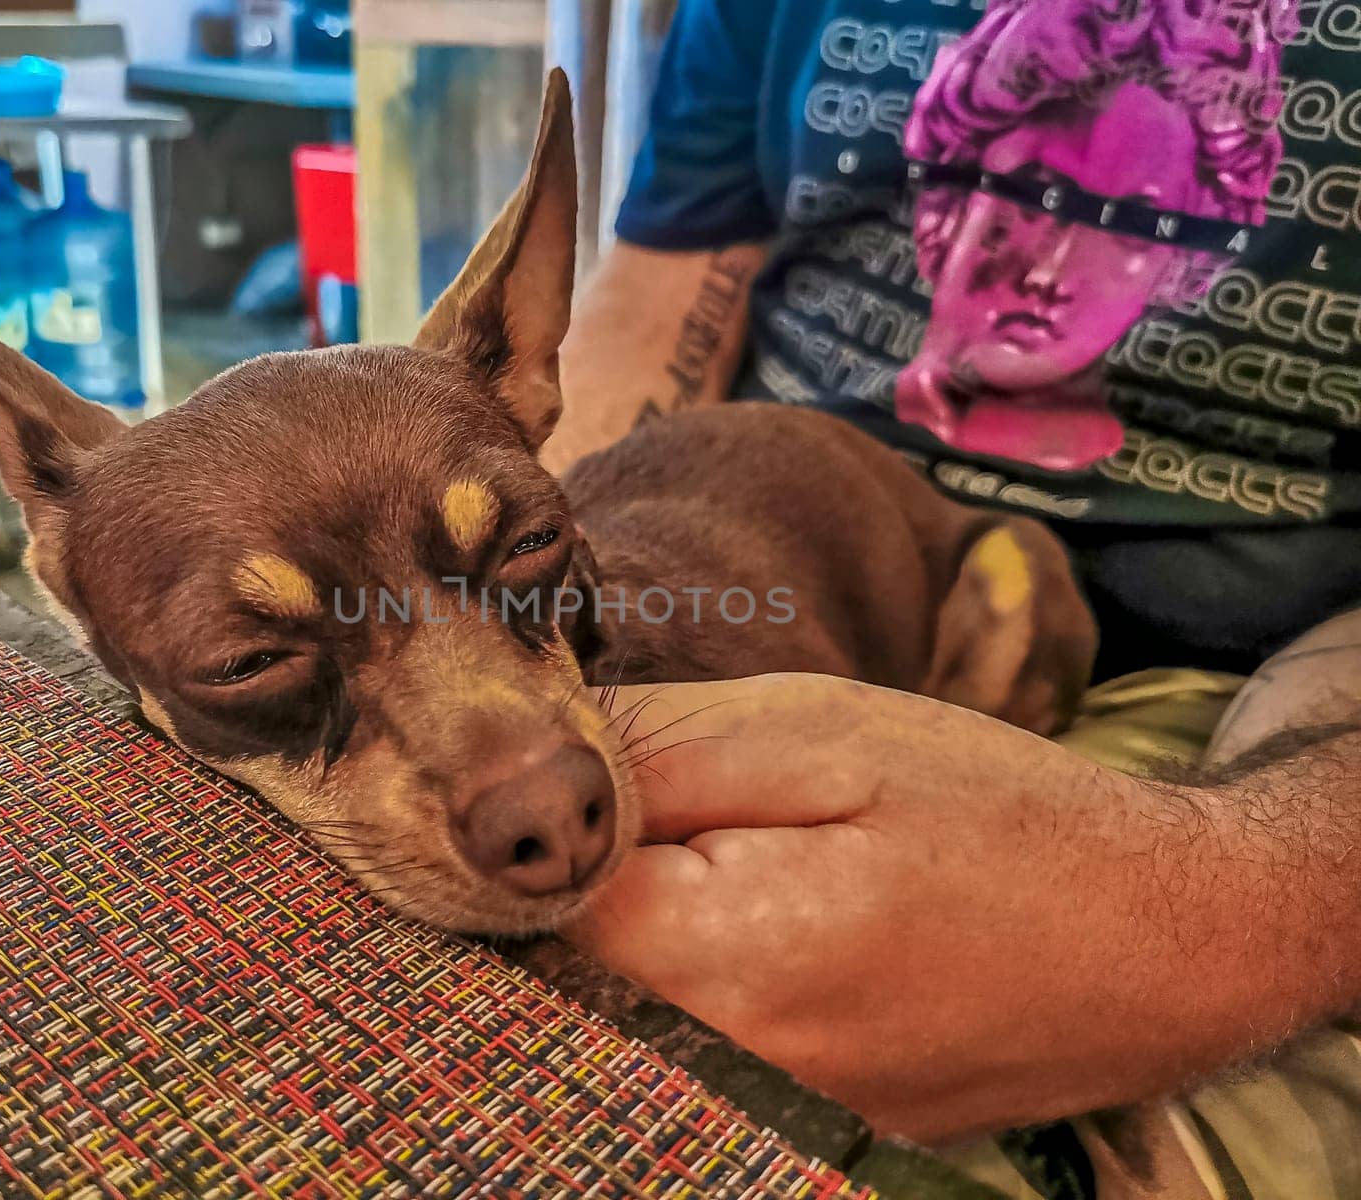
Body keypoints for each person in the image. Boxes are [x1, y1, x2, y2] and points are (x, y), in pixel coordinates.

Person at [547, 0, 1361, 1195]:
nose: (1026, 255)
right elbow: (654, 317)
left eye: (1120, 223)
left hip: (1268, 691)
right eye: (995, 193)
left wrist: (1230, 917)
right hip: (779, 557)